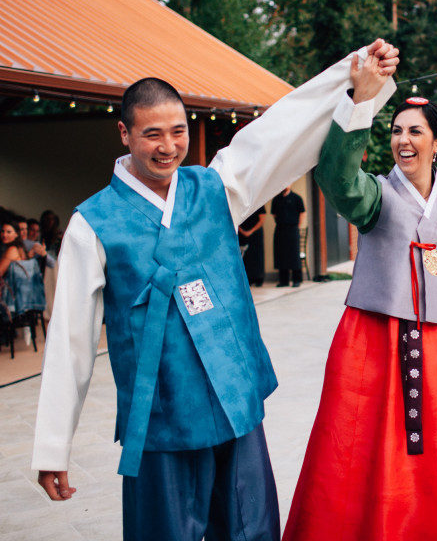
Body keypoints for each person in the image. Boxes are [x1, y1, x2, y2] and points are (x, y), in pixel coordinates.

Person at [31, 39, 399, 541]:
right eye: (152, 134)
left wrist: (354, 80)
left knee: (251, 530)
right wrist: (54, 446)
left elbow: (280, 131)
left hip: (234, 403)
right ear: (124, 133)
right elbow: (71, 340)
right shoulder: (93, 224)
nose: (168, 147)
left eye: (178, 131)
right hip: (162, 419)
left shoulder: (215, 188)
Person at [282, 53, 437, 540]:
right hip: (374, 345)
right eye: (397, 130)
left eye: (415, 132)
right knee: (362, 447)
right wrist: (361, 101)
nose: (402, 140)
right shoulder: (375, 196)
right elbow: (336, 179)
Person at [271, 187, 306, 287]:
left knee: (294, 254)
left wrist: (297, 226)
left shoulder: (297, 198)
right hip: (280, 229)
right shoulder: (276, 199)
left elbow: (302, 213)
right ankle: (283, 281)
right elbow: (274, 214)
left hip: (293, 229)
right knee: (281, 254)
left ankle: (297, 280)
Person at [239, 204, 267, 286]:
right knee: (246, 257)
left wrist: (251, 231)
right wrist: (242, 231)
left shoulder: (259, 203)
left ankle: (259, 278)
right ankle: (248, 279)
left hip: (255, 233)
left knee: (257, 256)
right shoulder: (242, 203)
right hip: (243, 233)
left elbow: (262, 219)